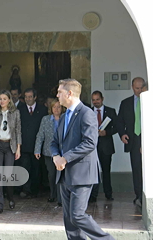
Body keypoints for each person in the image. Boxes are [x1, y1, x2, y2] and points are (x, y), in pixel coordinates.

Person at [51, 79, 114, 240]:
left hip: (82, 173)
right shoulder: (64, 116)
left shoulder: (87, 113)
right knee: (69, 220)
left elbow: (90, 143)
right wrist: (56, 156)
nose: (57, 95)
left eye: (60, 92)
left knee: (77, 215)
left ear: (69, 93)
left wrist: (65, 158)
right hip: (64, 175)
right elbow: (54, 142)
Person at [117, 77, 145, 206]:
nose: (139, 91)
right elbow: (119, 121)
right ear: (132, 87)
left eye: (141, 88)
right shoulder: (126, 103)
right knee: (137, 169)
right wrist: (122, 134)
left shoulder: (149, 101)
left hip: (147, 139)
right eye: (137, 88)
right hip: (133, 140)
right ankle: (139, 196)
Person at [17, 88, 48, 198]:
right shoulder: (19, 109)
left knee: (36, 168)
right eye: (26, 97)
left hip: (37, 145)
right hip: (24, 144)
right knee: (25, 167)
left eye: (30, 97)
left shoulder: (43, 109)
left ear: (35, 97)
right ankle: (26, 190)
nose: (28, 99)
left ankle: (35, 190)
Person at [89, 91, 118, 202]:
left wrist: (107, 132)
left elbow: (116, 127)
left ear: (102, 99)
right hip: (92, 147)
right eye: (94, 100)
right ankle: (93, 195)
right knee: (93, 171)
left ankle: (108, 194)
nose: (96, 102)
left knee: (106, 171)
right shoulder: (89, 112)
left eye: (98, 99)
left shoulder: (111, 111)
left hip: (106, 146)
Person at [34, 99, 64, 206]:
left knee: (61, 175)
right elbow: (40, 135)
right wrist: (37, 149)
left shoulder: (65, 118)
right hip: (49, 152)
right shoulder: (45, 119)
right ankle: (53, 194)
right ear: (51, 109)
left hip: (62, 152)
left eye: (59, 107)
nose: (56, 109)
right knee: (51, 175)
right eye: (54, 107)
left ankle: (61, 198)